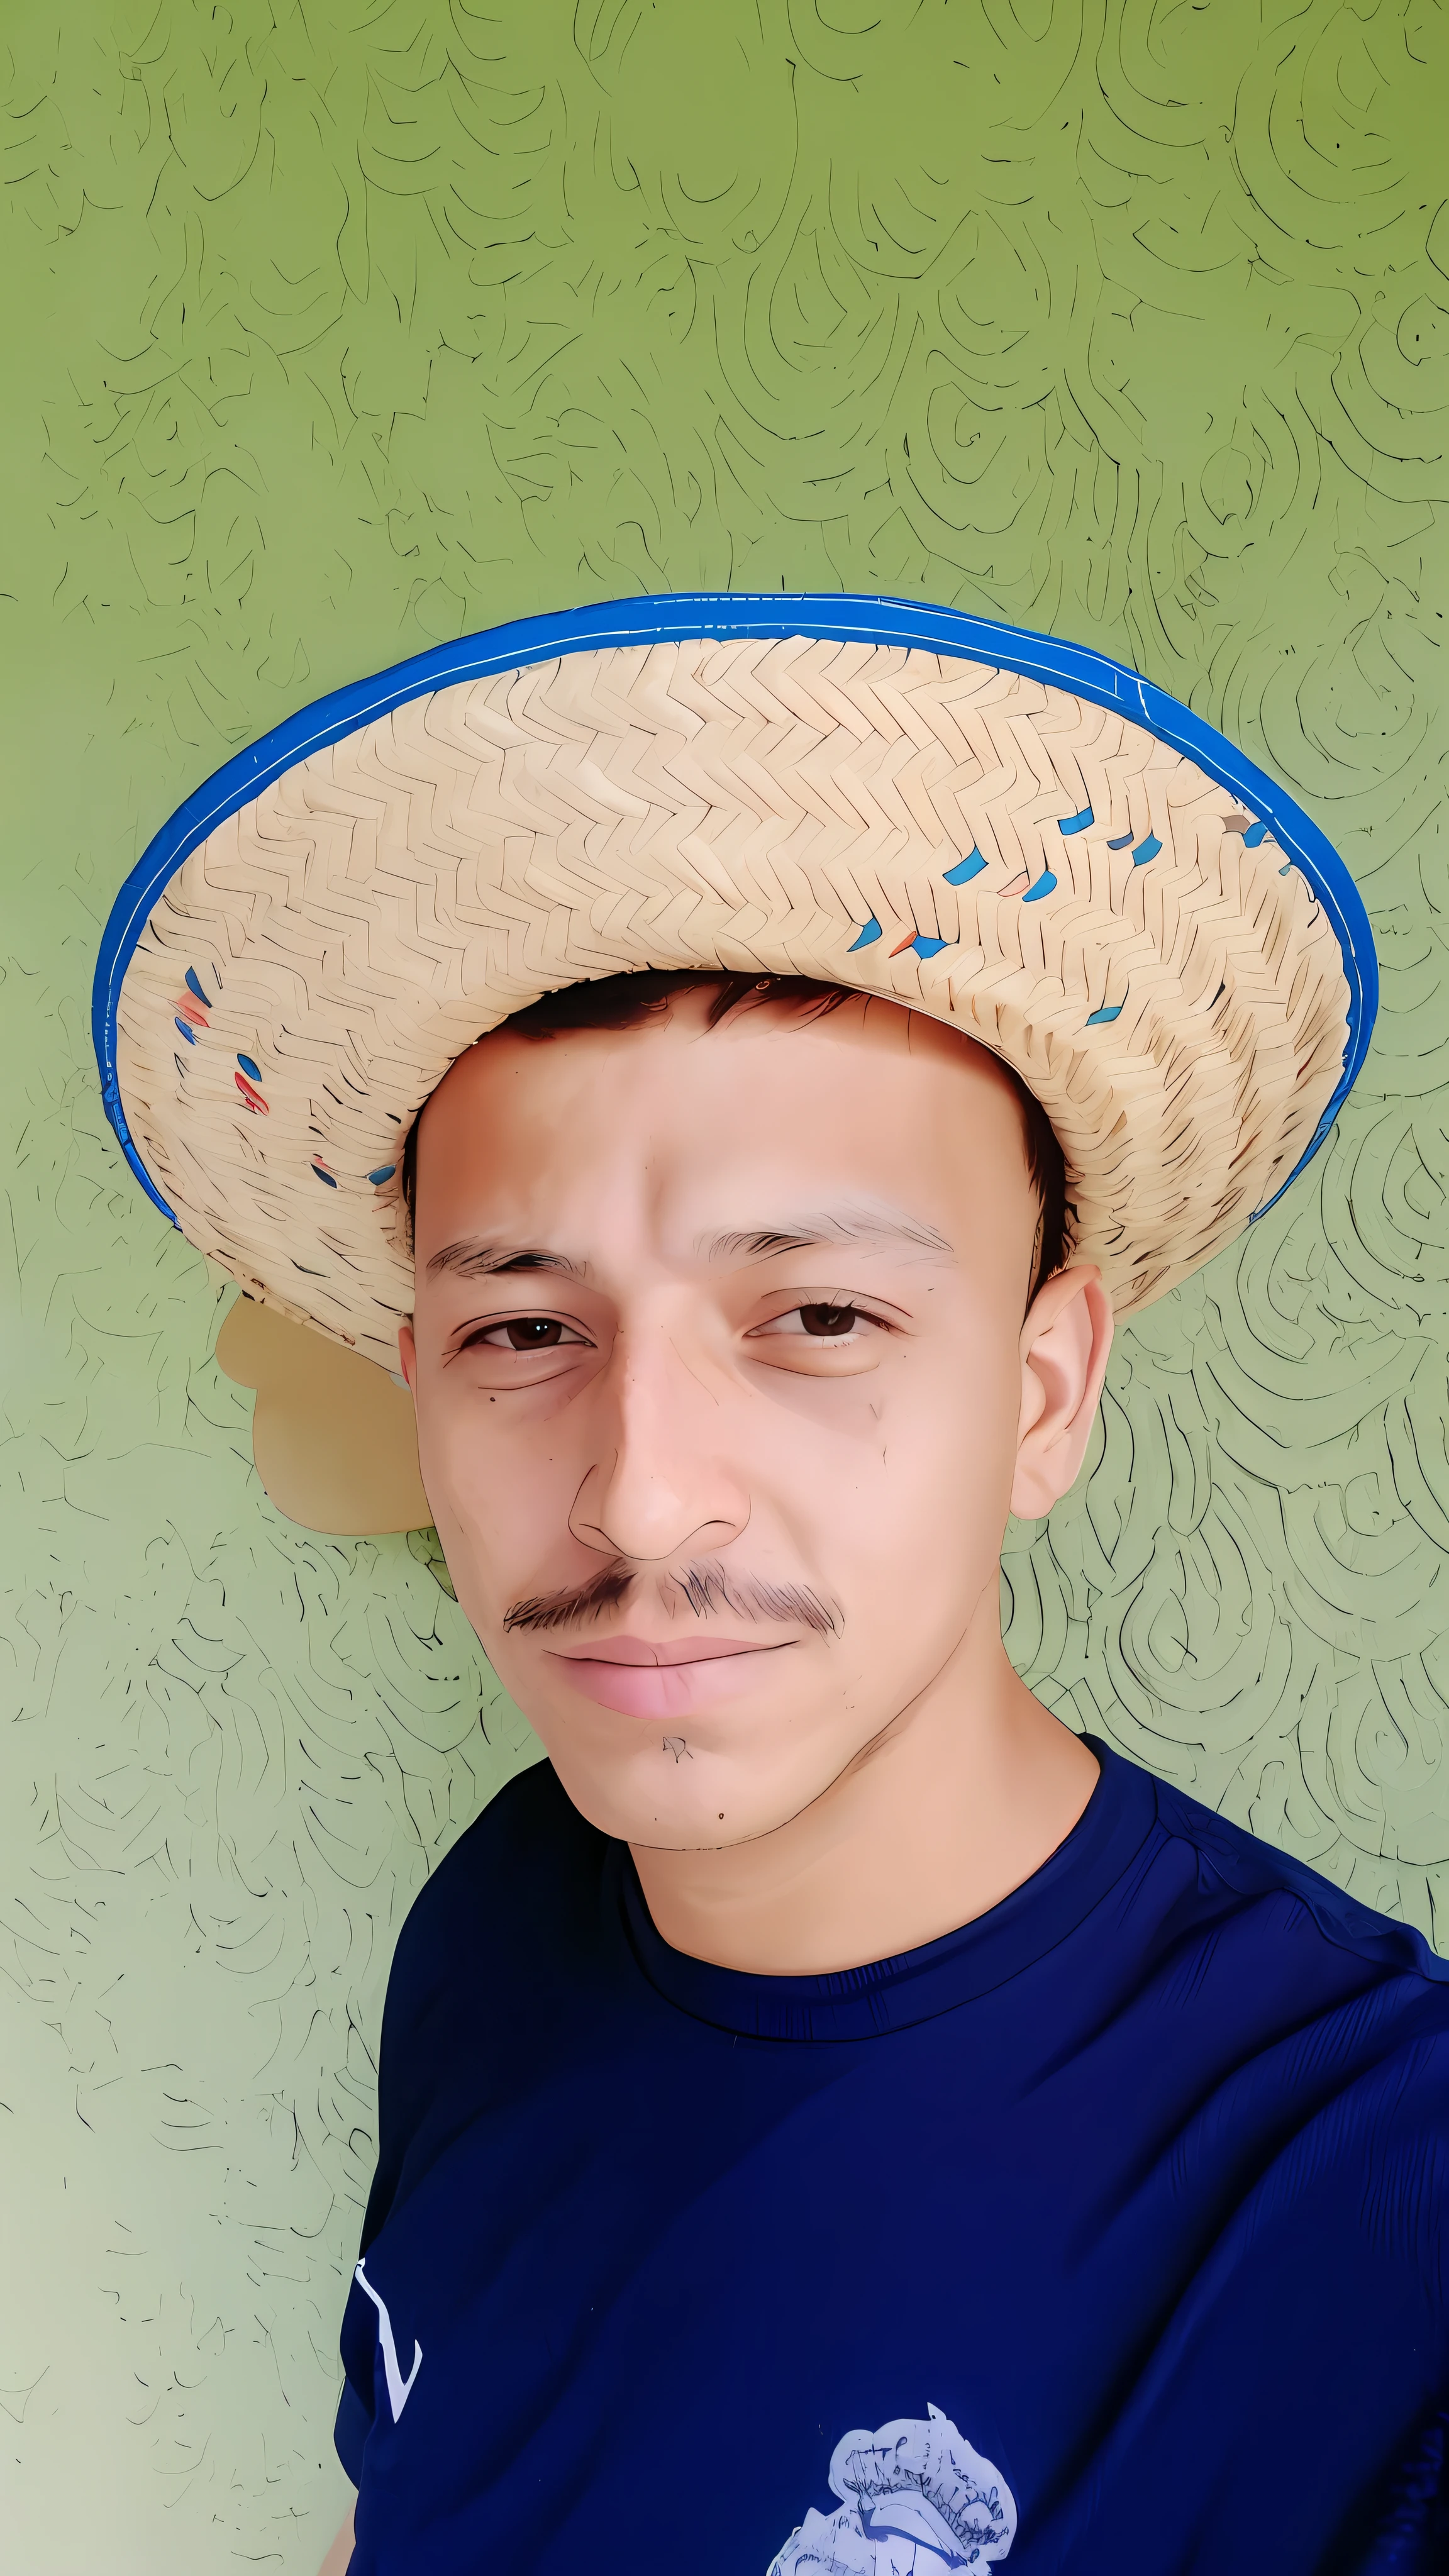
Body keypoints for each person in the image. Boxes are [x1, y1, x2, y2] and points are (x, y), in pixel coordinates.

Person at [96, 601, 1446, 2574]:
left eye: (818, 1315)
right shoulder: (499, 1917)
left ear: (1042, 1394)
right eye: (522, 1333)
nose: (642, 1502)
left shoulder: (1373, 2223)